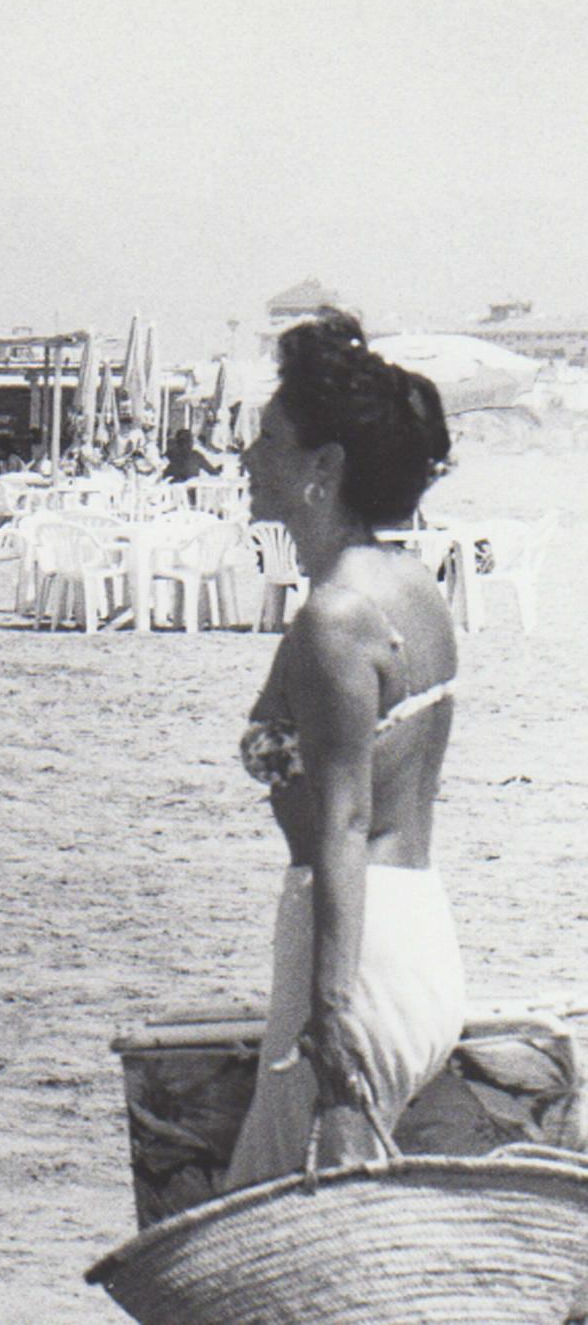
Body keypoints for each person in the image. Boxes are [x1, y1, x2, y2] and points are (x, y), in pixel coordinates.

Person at [224, 309, 461, 1190]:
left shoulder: (336, 618)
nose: (248, 457)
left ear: (323, 469)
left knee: (265, 1226)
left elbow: (346, 820)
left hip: (353, 949)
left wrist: (328, 1009)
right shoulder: (405, 590)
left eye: (270, 439)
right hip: (411, 927)